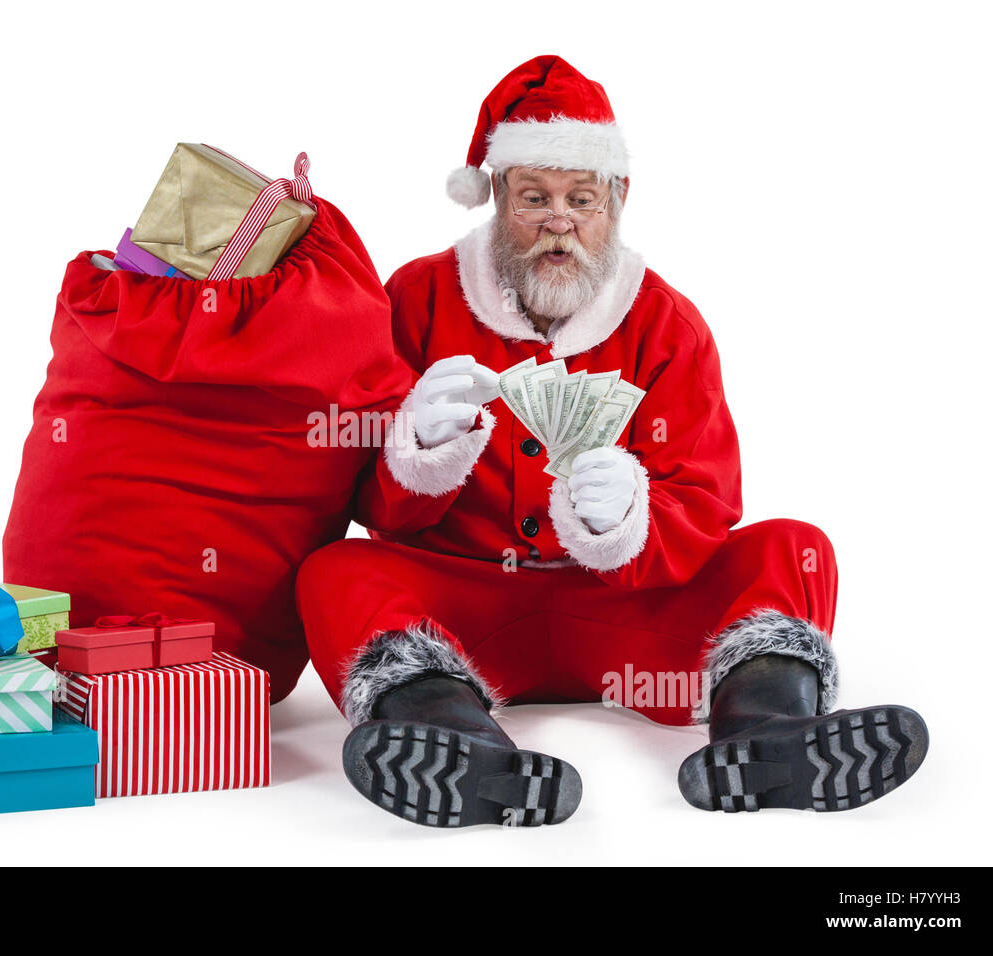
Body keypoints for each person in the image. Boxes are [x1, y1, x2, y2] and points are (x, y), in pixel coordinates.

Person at [295, 55, 928, 827]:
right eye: (533, 197)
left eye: (580, 198)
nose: (558, 220)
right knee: (334, 569)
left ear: (617, 199)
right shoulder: (417, 298)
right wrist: (412, 453)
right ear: (496, 197)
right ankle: (451, 734)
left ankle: (769, 734)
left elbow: (707, 499)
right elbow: (366, 503)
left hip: (629, 624)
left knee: (795, 547)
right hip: (466, 615)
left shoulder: (668, 325)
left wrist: (634, 516)